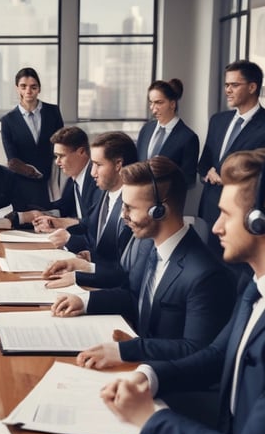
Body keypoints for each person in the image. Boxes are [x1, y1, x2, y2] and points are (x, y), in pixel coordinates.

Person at [101, 147, 265, 434]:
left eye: (226, 214)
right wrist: (148, 376)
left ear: (260, 222)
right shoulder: (257, 283)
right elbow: (216, 355)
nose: (215, 227)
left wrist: (148, 417)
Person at [49, 156, 234, 370]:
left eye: (129, 208)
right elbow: (132, 295)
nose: (123, 216)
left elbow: (196, 350)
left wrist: (126, 350)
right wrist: (84, 301)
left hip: (166, 383)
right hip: (137, 363)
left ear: (160, 210)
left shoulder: (205, 275)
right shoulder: (149, 245)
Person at [197, 60, 265, 254]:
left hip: (241, 215)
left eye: (234, 85)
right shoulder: (218, 121)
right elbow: (205, 161)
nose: (228, 90)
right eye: (226, 85)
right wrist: (208, 171)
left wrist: (231, 179)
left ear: (252, 87)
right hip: (209, 209)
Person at [34, 132, 137, 289]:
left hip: (111, 290)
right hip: (94, 280)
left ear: (118, 164)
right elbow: (89, 228)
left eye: (98, 165)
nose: (92, 172)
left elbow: (123, 268)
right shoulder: (105, 193)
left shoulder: (133, 208)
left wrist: (84, 269)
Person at [1, 67, 65, 209]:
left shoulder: (53, 112)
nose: (28, 91)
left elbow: (62, 146)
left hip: (51, 181)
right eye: (23, 86)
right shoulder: (8, 120)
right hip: (22, 184)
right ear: (17, 88)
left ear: (39, 89)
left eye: (33, 87)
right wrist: (31, 172)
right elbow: (12, 159)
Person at [136, 79, 199, 187]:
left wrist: (170, 171)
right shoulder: (146, 129)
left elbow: (189, 180)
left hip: (168, 201)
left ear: (172, 104)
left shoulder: (188, 138)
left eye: (159, 103)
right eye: (151, 103)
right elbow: (136, 163)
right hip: (140, 196)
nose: (153, 109)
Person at [47, 126, 101, 219]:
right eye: (56, 156)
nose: (57, 162)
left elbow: (92, 223)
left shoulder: (97, 180)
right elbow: (63, 207)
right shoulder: (73, 179)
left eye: (61, 156)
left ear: (81, 152)